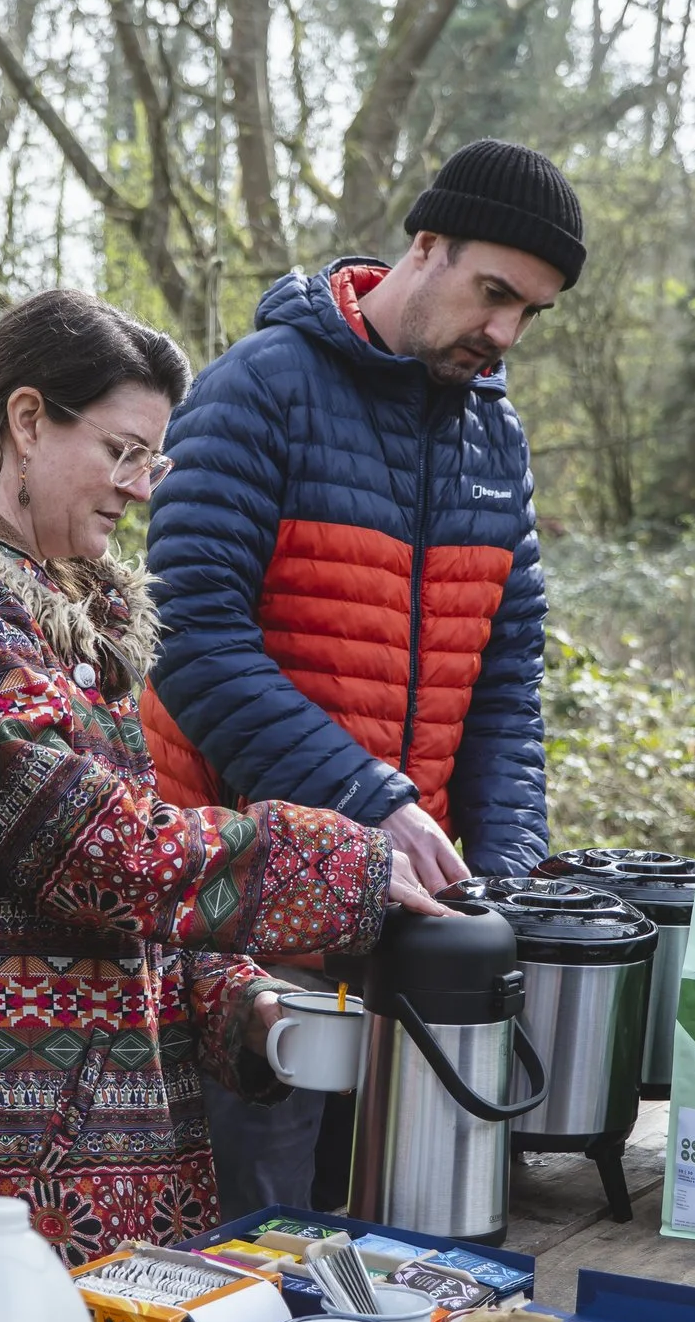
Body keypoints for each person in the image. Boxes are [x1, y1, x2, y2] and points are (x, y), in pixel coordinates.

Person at [0, 288, 448, 1265]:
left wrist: (227, 997)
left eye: (151, 460)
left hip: (85, 1159)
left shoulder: (71, 613)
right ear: (27, 421)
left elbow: (113, 903)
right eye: (123, 452)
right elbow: (96, 848)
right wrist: (350, 865)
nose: (142, 486)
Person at [138, 137, 578, 1214]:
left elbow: (504, 677)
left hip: (405, 911)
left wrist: (510, 868)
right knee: (252, 1243)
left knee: (387, 1233)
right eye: (493, 293)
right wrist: (368, 799)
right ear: (423, 247)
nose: (506, 333)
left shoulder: (495, 440)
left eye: (530, 313)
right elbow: (189, 638)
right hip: (245, 919)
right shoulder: (258, 391)